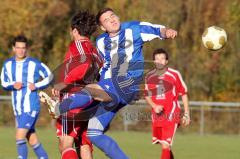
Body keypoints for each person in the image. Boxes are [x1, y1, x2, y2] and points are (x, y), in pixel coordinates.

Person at [51, 8, 177, 159]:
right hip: (110, 88)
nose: (111, 19)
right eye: (106, 20)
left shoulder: (134, 29)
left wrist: (167, 31)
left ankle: (59, 107)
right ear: (103, 27)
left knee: (91, 90)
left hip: (126, 82)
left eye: (112, 16)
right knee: (93, 133)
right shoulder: (100, 42)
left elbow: (157, 29)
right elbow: (101, 67)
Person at [40, 11, 102, 159]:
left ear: (74, 30)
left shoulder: (78, 45)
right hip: (90, 102)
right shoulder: (95, 51)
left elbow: (84, 65)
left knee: (65, 143)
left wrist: (63, 84)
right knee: (84, 144)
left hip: (74, 100)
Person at [1, 35, 52, 159]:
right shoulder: (7, 64)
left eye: (23, 48)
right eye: (18, 47)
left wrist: (36, 85)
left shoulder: (34, 64)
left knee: (19, 136)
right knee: (32, 139)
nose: (21, 50)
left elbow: (50, 76)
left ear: (27, 49)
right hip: (17, 108)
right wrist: (13, 85)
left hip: (31, 106)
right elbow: (3, 83)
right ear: (13, 48)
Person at [145, 48, 190, 159]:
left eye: (162, 58)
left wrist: (187, 113)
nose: (159, 61)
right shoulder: (149, 76)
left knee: (166, 144)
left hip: (172, 112)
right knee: (164, 145)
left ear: (166, 61)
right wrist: (154, 106)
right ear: (154, 61)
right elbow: (147, 96)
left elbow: (183, 93)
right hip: (157, 115)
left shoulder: (174, 74)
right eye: (157, 59)